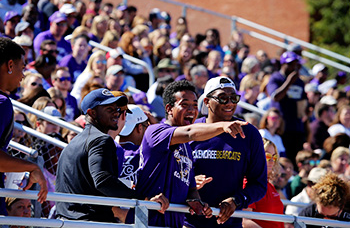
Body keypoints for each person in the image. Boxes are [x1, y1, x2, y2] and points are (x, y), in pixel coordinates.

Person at [127, 80, 251, 227]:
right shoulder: (155, 131)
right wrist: (223, 126)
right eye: (184, 105)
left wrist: (197, 202)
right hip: (147, 221)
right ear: (169, 108)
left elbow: (191, 188)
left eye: (194, 105)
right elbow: (190, 132)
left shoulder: (186, 147)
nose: (192, 110)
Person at [55, 88, 168, 222]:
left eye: (117, 109)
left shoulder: (75, 142)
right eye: (109, 109)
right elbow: (103, 181)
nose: (116, 113)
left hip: (69, 221)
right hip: (90, 223)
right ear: (92, 113)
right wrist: (143, 199)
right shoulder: (101, 139)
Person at [184, 76, 267, 228]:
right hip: (190, 221)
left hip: (229, 223)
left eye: (233, 98)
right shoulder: (190, 130)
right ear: (207, 102)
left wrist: (237, 200)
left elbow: (259, 184)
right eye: (222, 98)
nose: (229, 103)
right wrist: (189, 183)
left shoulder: (249, 133)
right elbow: (172, 174)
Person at [0, 37, 47, 215]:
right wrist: (31, 167)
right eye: (22, 67)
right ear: (10, 65)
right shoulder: (2, 103)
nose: (23, 75)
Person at [267, 51, 307, 167]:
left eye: (295, 64)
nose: (293, 67)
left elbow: (302, 100)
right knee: (283, 158)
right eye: (290, 64)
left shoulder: (299, 82)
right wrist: (289, 82)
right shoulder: (276, 78)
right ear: (283, 64)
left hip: (296, 126)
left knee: (295, 159)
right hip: (282, 126)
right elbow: (275, 97)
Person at [243, 138, 284, 228]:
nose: (272, 161)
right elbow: (244, 222)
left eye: (274, 157)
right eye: (268, 156)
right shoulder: (248, 183)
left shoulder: (269, 185)